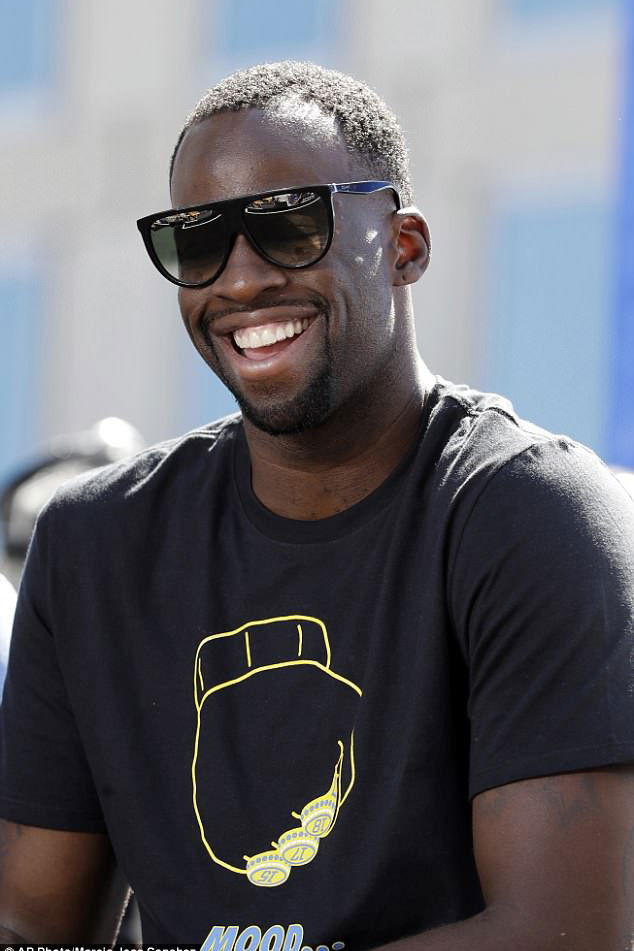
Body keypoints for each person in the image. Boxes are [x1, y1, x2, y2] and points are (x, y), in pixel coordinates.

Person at [0, 61, 633, 949]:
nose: (240, 280)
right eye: (196, 242)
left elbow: (564, 934)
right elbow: (29, 924)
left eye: (290, 225)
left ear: (405, 246)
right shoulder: (93, 545)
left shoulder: (528, 514)